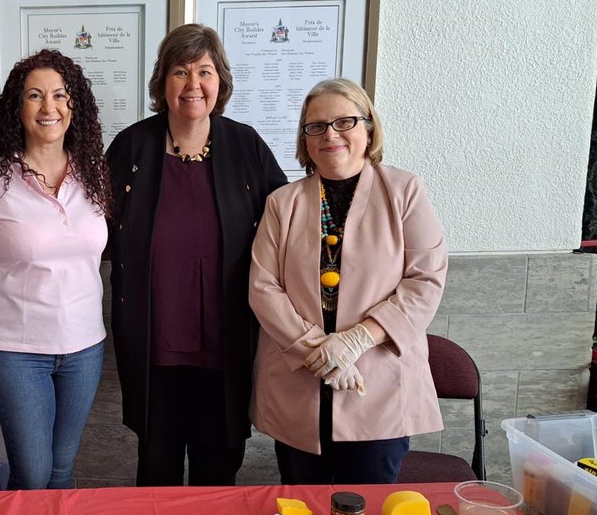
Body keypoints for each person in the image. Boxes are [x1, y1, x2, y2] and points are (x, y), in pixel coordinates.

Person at [106, 24, 288, 486]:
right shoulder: (131, 147)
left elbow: (289, 225)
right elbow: (91, 228)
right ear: (162, 83)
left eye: (204, 72)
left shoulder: (245, 146)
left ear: (220, 82)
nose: (193, 85)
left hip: (226, 347)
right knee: (156, 474)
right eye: (180, 72)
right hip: (154, 349)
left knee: (219, 475)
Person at [249, 78, 447, 484]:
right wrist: (322, 353)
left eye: (344, 122)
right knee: (302, 509)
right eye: (316, 126)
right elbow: (263, 287)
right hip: (300, 384)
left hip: (376, 385)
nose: (330, 135)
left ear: (368, 128)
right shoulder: (282, 202)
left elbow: (425, 280)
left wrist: (357, 340)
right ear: (305, 139)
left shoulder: (404, 191)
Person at [0, 49, 111, 490]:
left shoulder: (94, 173)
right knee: (35, 472)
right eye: (35, 96)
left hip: (85, 347)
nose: (49, 107)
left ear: (74, 106)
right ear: (16, 108)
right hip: (16, 350)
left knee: (61, 471)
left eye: (60, 96)